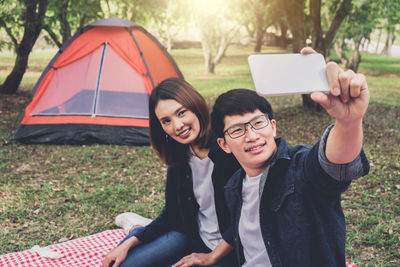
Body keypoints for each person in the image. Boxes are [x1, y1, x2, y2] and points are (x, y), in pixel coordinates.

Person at [210, 48, 370, 266]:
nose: (252, 136)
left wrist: (348, 122)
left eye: (258, 123)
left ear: (273, 127)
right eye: (238, 130)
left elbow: (332, 164)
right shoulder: (233, 187)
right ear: (224, 144)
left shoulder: (300, 168)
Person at [102, 78, 240, 267]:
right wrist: (130, 241)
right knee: (120, 264)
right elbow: (172, 213)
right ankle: (135, 227)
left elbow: (249, 216)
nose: (177, 126)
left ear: (196, 106)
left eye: (181, 113)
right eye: (166, 121)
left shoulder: (229, 147)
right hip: (192, 234)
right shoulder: (180, 155)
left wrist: (212, 256)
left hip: (231, 249)